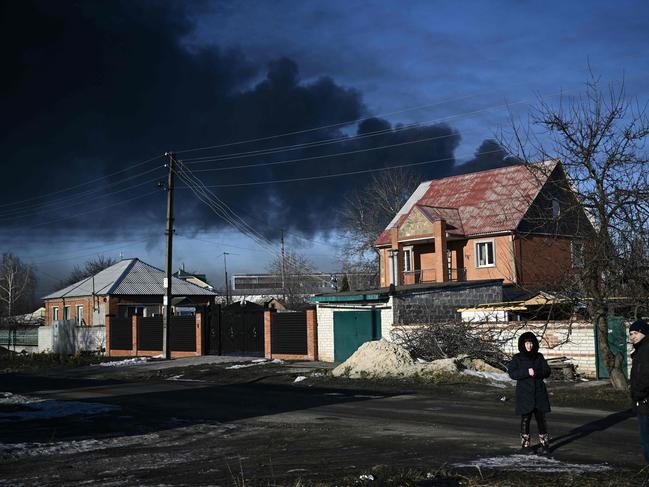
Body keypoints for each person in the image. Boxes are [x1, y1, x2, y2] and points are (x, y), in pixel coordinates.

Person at [507, 331, 552, 454]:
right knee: (525, 419)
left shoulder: (539, 357)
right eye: (527, 343)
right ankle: (525, 446)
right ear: (522, 344)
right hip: (524, 393)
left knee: (541, 419)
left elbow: (547, 371)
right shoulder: (517, 358)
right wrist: (527, 372)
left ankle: (545, 445)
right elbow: (512, 373)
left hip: (539, 393)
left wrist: (536, 372)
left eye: (531, 343)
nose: (529, 345)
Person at [629, 319, 649, 465]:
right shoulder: (640, 350)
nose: (632, 336)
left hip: (645, 401)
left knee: (647, 442)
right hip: (643, 402)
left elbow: (645, 377)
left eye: (635, 333)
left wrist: (637, 393)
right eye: (630, 334)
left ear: (643, 332)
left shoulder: (646, 350)